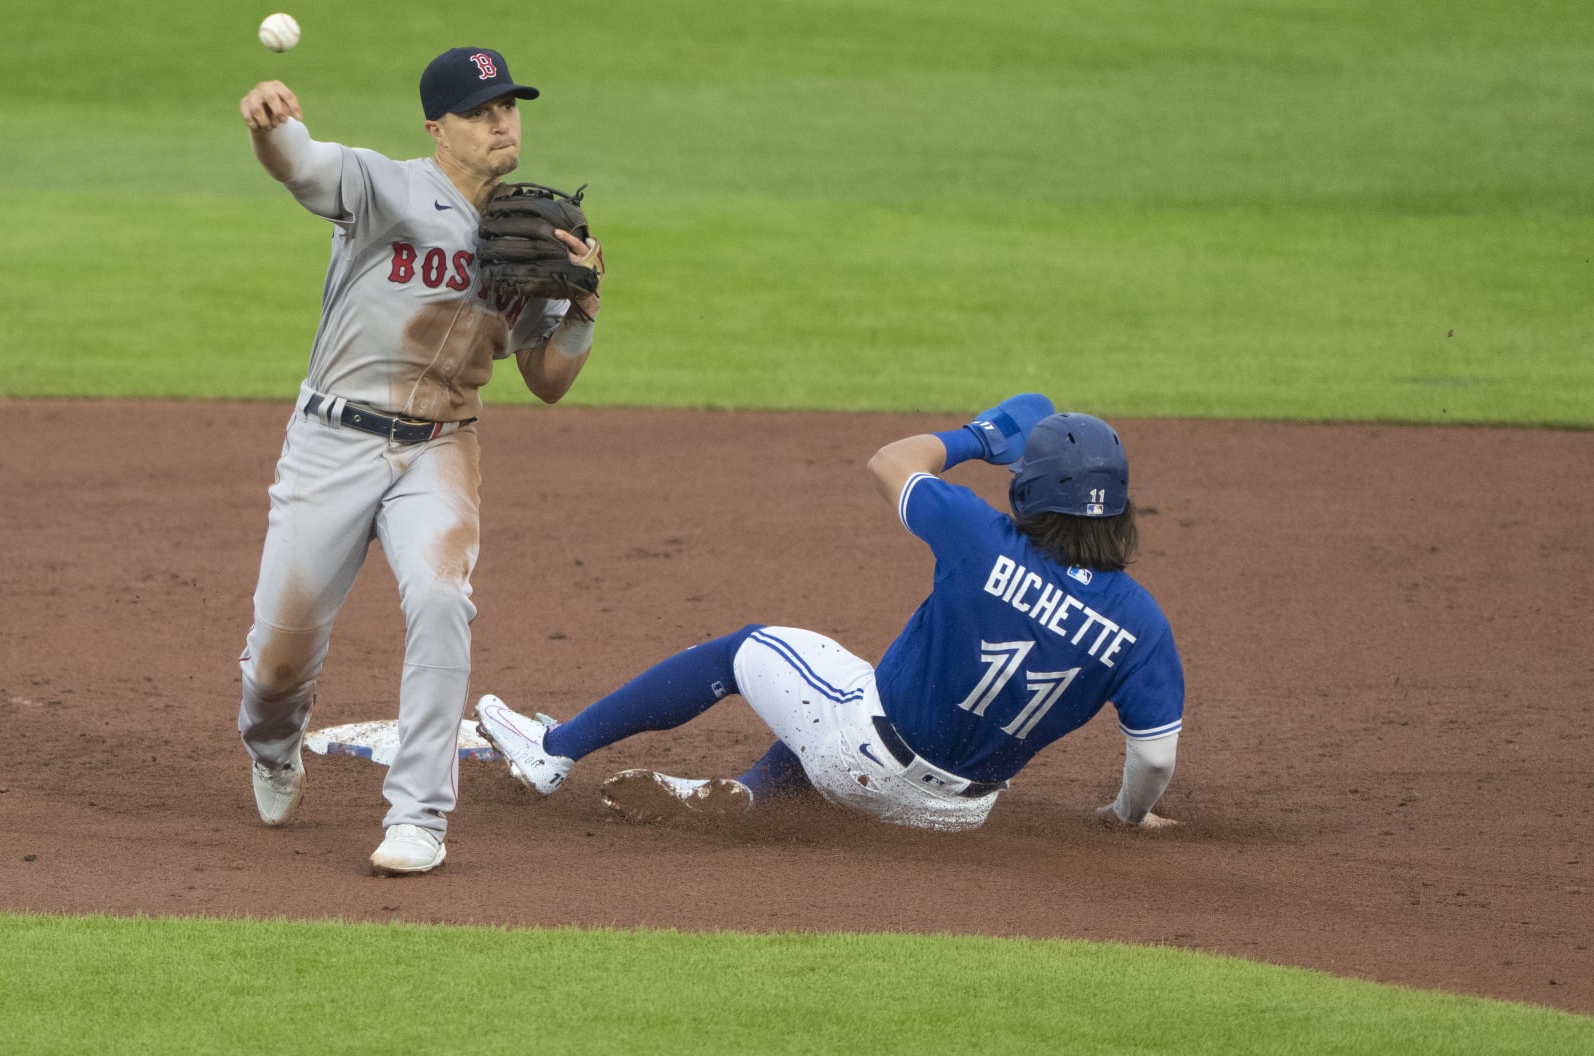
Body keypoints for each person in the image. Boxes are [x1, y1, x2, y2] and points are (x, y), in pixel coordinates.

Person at [476, 396, 1184, 833]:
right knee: (835, 695)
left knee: (754, 653)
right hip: (958, 817)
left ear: (1026, 495)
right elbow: (1153, 754)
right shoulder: (1144, 624)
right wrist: (1126, 816)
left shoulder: (978, 534)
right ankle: (753, 796)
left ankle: (553, 750)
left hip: (862, 756)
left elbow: (890, 461)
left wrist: (980, 434)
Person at [235, 46, 605, 875]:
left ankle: (420, 818)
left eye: (509, 106)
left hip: (442, 446)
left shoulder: (541, 233)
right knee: (276, 660)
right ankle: (271, 744)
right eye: (481, 111)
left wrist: (581, 307)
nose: (501, 121)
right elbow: (302, 164)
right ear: (438, 129)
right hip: (332, 443)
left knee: (442, 599)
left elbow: (545, 380)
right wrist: (269, 122)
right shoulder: (386, 187)